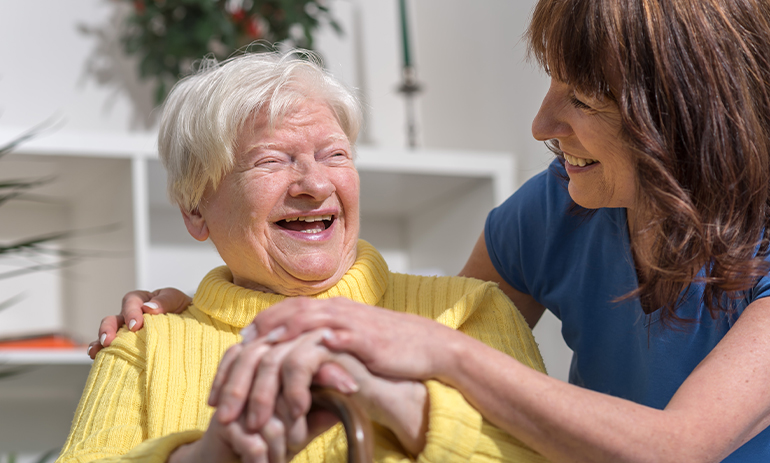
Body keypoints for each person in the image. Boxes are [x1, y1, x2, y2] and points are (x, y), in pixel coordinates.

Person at [98, 0, 770, 461]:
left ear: (678, 117)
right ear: (193, 209)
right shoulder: (553, 210)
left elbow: (680, 447)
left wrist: (442, 351)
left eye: (582, 98)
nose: (541, 123)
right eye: (552, 82)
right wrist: (212, 303)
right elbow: (424, 350)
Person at [59, 51, 549, 463]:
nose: (316, 185)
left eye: (335, 155)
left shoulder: (471, 313)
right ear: (195, 210)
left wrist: (409, 411)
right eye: (271, 160)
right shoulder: (145, 346)